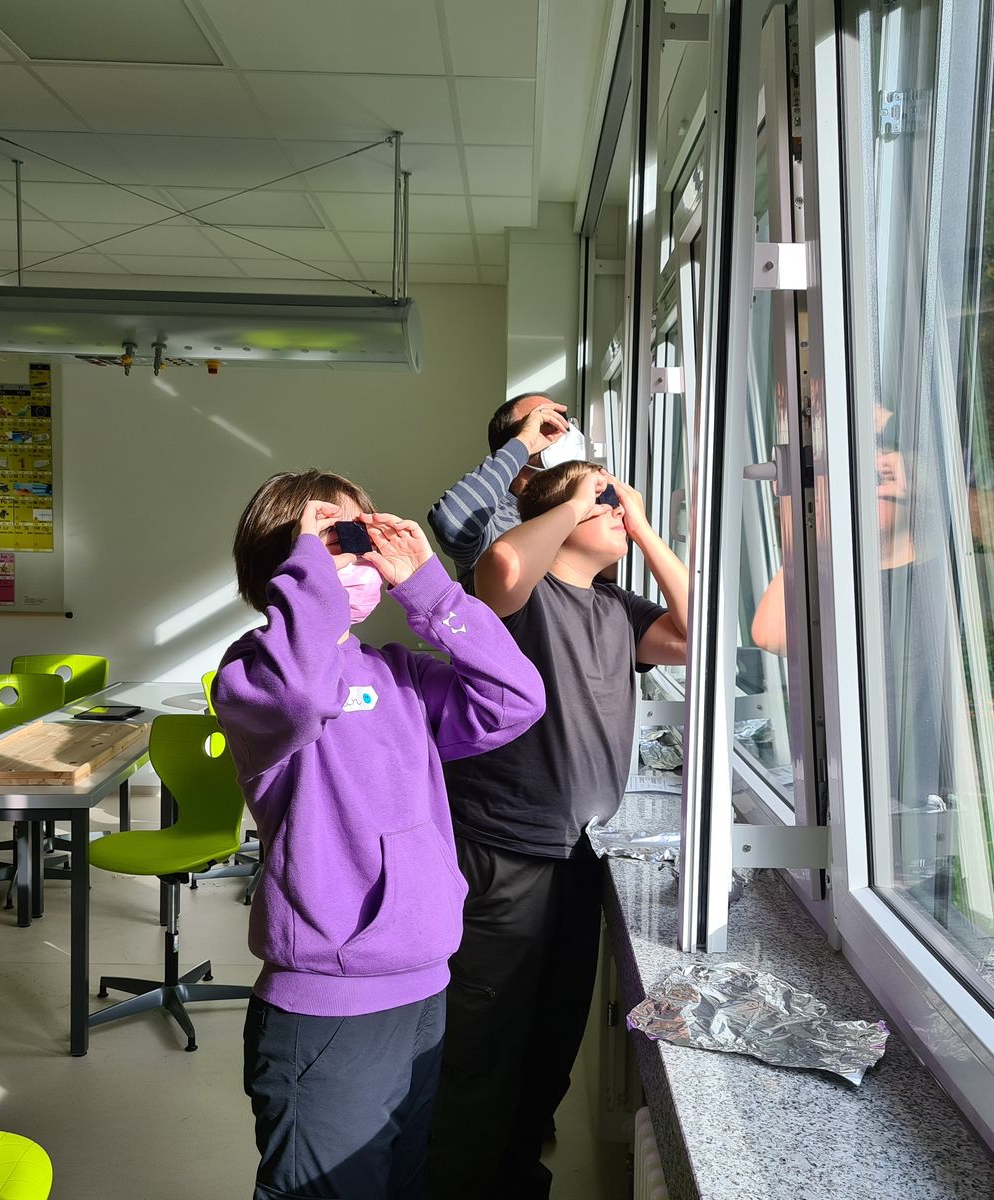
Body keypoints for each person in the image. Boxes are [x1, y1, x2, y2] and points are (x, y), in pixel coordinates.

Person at [210, 469, 546, 1200]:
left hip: (423, 987)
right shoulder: (253, 677)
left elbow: (516, 701)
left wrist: (429, 588)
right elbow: (302, 691)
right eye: (333, 537)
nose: (358, 551)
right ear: (286, 565)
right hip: (329, 1007)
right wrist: (309, 568)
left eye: (362, 533)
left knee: (401, 1182)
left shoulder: (400, 676)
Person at [425, 461, 689, 1199]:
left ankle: (514, 1180)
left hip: (578, 854)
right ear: (561, 512)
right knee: (483, 1045)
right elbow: (502, 561)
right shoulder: (521, 599)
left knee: (549, 1043)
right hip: (506, 847)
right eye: (602, 496)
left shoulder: (617, 609)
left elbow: (697, 631)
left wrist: (641, 525)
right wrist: (576, 497)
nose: (615, 505)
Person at [426, 392, 572, 583]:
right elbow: (450, 522)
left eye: (562, 420)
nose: (560, 429)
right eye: (544, 422)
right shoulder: (492, 520)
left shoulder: (581, 508)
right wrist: (525, 442)